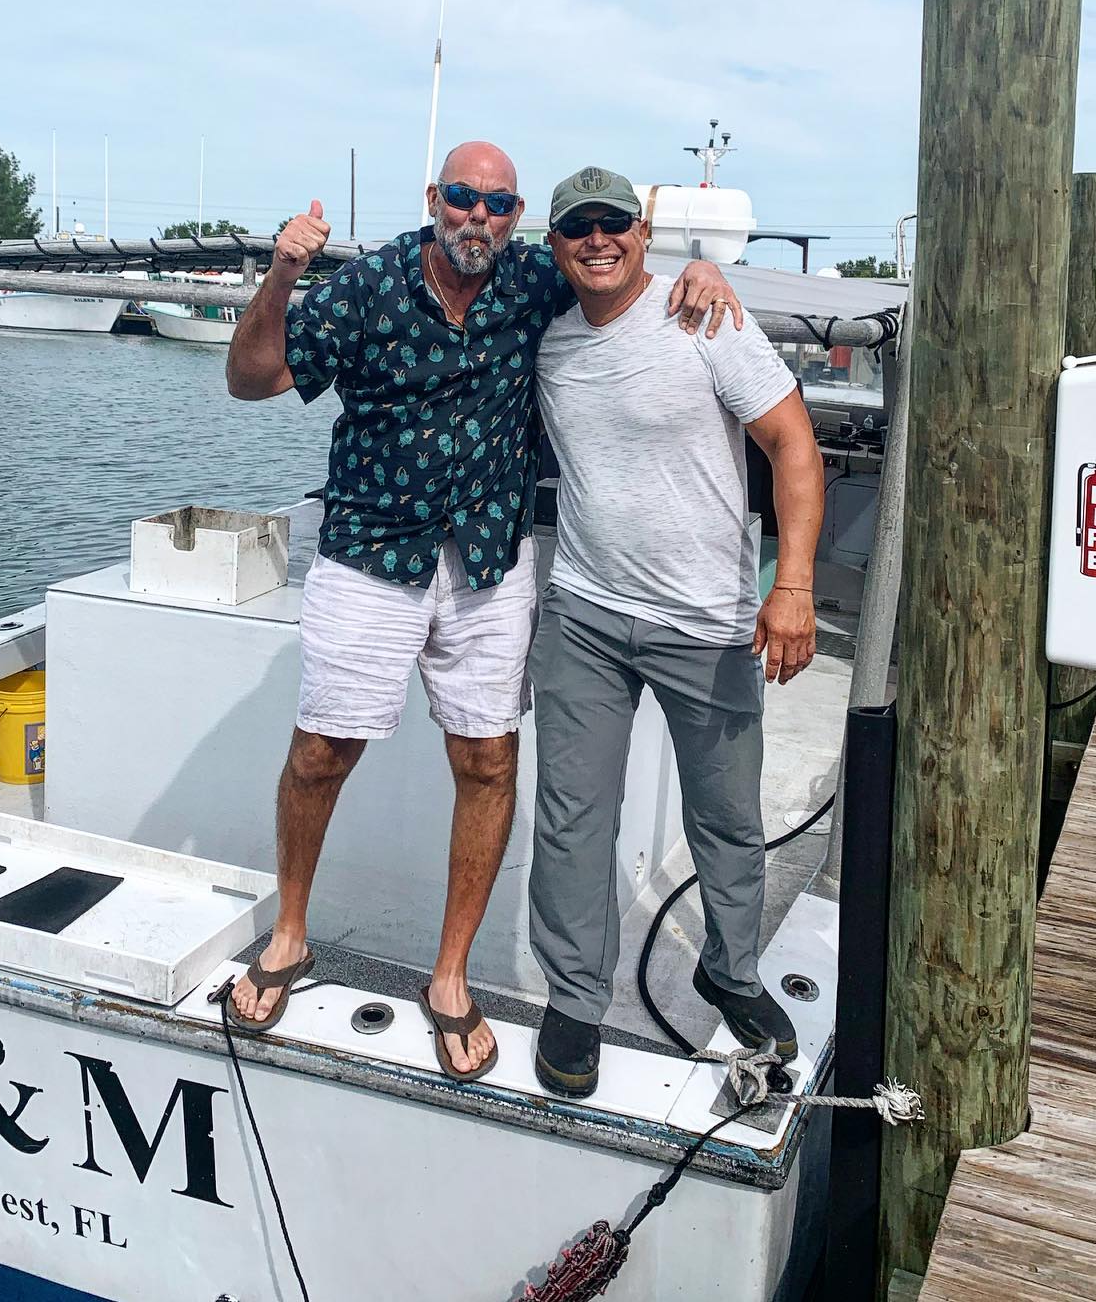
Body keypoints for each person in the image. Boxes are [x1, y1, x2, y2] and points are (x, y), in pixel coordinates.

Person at [223, 142, 741, 1079]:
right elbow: (251, 379)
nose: (479, 218)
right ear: (435, 198)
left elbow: (613, 269)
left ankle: (451, 976)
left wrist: (698, 271)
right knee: (322, 751)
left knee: (489, 760)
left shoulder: (530, 280)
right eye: (464, 197)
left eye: (499, 205)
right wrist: (284, 275)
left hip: (490, 561)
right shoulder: (369, 286)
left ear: (515, 217)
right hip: (373, 549)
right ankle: (290, 932)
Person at [527, 165, 824, 1099]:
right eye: (579, 226)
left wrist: (794, 585)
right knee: (573, 817)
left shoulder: (703, 316)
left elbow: (794, 445)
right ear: (555, 244)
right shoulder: (544, 335)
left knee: (727, 818)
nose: (598, 239)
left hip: (708, 623)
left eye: (614, 222)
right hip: (584, 612)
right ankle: (576, 998)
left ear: (644, 232)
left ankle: (729, 970)